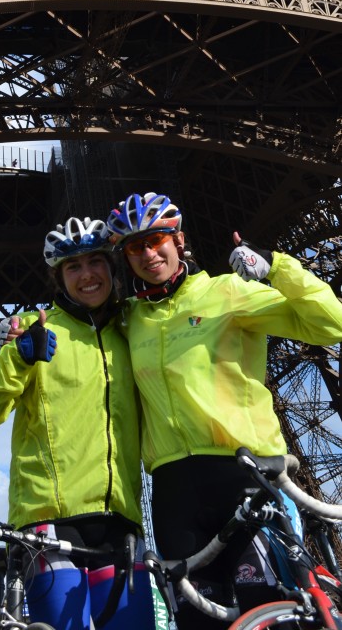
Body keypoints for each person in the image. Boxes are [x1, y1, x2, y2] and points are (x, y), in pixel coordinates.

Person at [106, 191, 342, 629]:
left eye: (156, 239)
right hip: (174, 489)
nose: (147, 253)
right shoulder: (128, 320)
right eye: (133, 247)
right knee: (196, 621)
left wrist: (277, 266)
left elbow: (331, 323)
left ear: (178, 240)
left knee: (269, 609)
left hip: (243, 473)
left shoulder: (227, 291)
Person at [0, 217, 162, 630]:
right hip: (49, 520)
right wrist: (17, 358)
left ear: (111, 267)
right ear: (58, 277)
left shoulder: (133, 330)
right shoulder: (34, 331)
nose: (87, 274)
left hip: (119, 521)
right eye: (73, 267)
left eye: (95, 262)